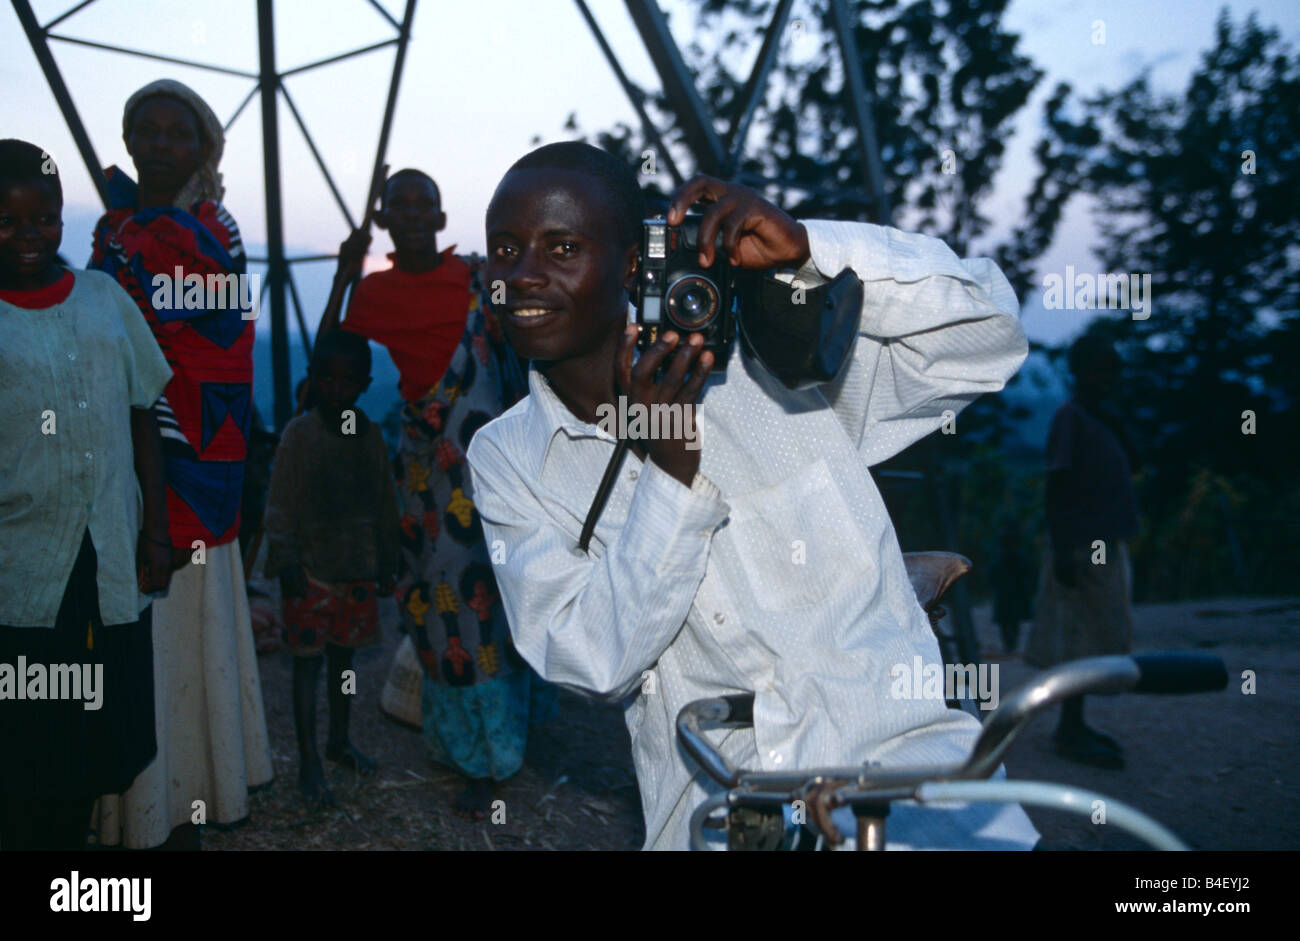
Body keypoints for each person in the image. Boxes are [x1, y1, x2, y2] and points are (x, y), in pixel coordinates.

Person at [466, 141, 1042, 850]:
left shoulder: (769, 359)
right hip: (721, 815)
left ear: (633, 263)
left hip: (912, 794)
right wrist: (672, 475)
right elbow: (588, 657)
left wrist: (808, 250)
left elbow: (992, 336)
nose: (521, 276)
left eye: (560, 248)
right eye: (503, 249)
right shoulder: (506, 456)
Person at [335, 169, 554, 819]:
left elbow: (533, 338)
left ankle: (491, 759)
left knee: (490, 600)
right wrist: (347, 274)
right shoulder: (374, 292)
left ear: (438, 216)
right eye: (396, 204)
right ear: (383, 218)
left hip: (494, 462)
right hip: (427, 470)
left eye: (421, 203)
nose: (409, 214)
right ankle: (460, 743)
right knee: (432, 604)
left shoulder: (477, 280)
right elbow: (334, 355)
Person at [89, 79, 273, 849]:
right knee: (134, 632)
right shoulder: (113, 230)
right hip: (122, 461)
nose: (162, 145)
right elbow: (105, 337)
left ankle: (191, 792)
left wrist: (147, 230)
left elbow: (221, 334)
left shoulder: (212, 226)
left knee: (182, 627)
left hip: (197, 465)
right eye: (147, 131)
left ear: (202, 149)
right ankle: (138, 801)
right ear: (129, 143)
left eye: (178, 133)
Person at [0, 140, 172, 849]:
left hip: (106, 555)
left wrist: (156, 530)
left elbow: (143, 415)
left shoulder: (104, 299)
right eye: (6, 222)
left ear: (62, 215)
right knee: (25, 733)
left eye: (43, 217)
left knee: (97, 726)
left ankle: (72, 848)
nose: (29, 234)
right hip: (21, 566)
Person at [262, 330, 400, 804]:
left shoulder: (370, 436)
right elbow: (279, 502)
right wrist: (285, 560)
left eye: (348, 381)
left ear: (364, 383)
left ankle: (339, 742)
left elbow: (385, 502)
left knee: (344, 662)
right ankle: (308, 762)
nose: (337, 390)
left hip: (356, 571)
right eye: (327, 379)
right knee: (306, 667)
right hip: (310, 573)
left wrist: (388, 559)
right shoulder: (299, 436)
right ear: (313, 380)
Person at [1025, 335, 1139, 769]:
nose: (1107, 379)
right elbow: (1058, 487)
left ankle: (1076, 722)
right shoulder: (1070, 418)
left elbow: (1137, 463)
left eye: (1113, 371)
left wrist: (1118, 425)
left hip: (1106, 541)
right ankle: (1069, 729)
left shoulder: (1102, 418)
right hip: (1082, 544)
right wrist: (1065, 549)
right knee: (1078, 634)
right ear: (1080, 373)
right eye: (1099, 370)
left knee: (1099, 630)